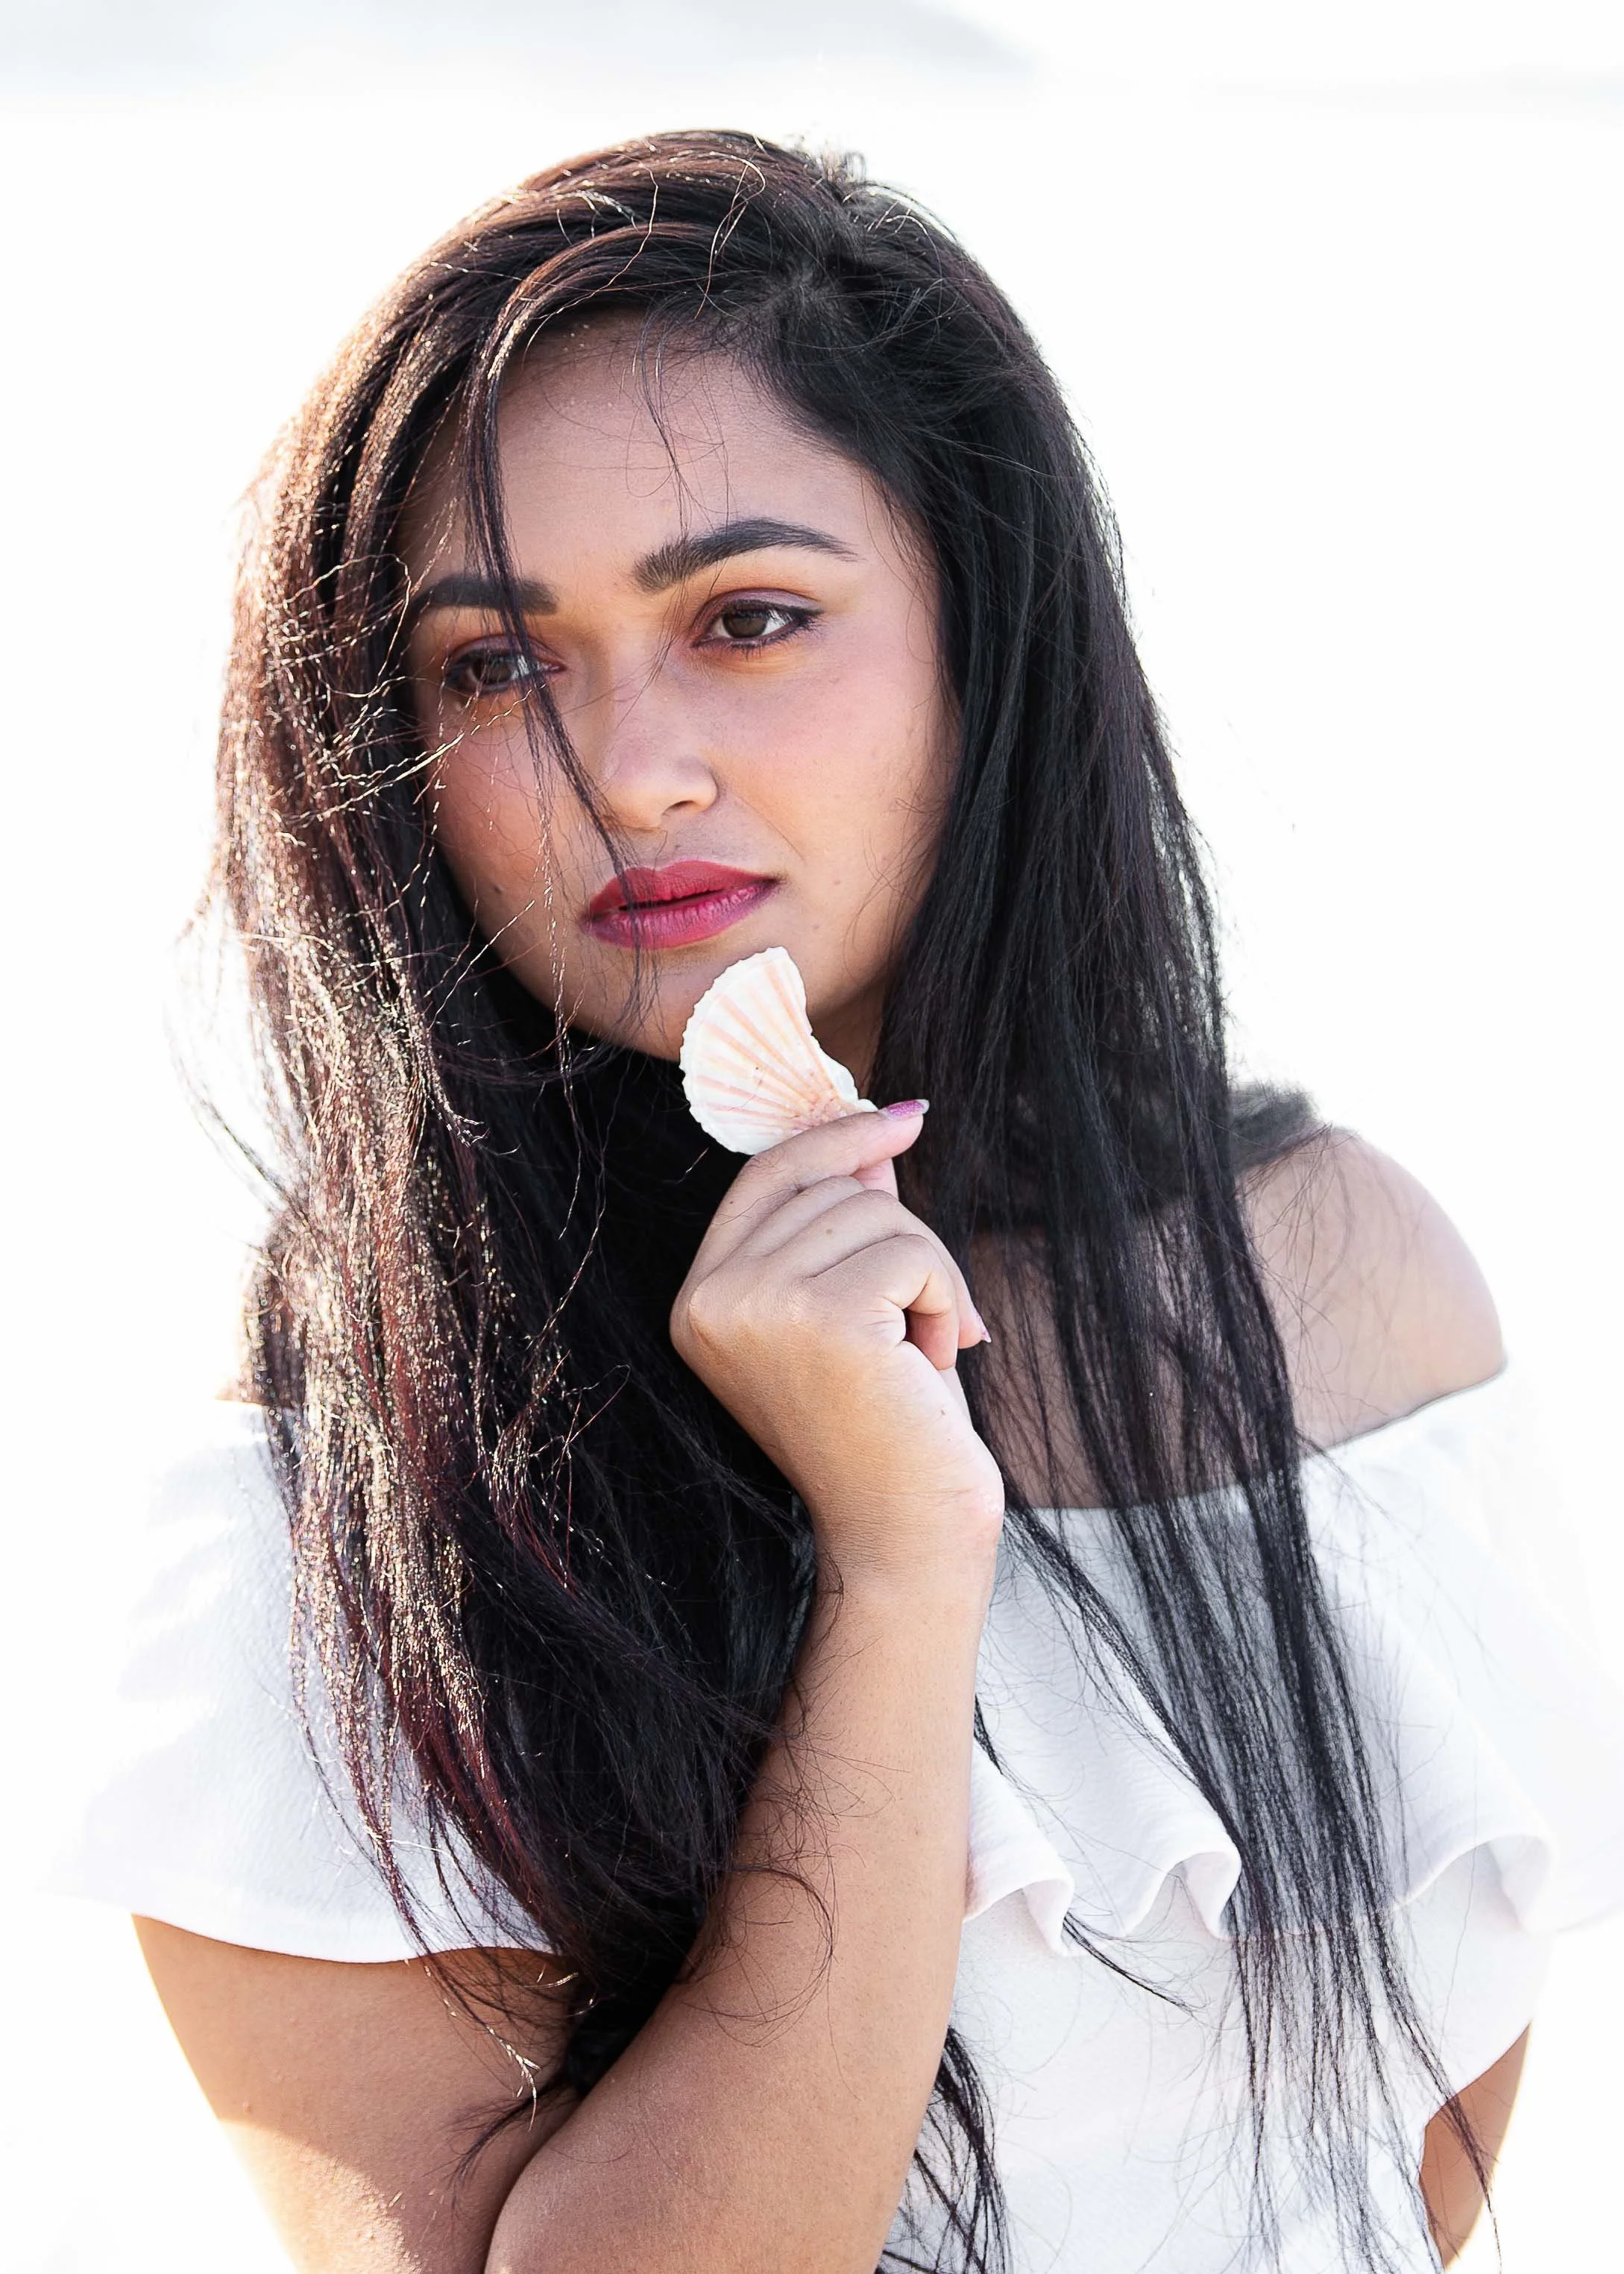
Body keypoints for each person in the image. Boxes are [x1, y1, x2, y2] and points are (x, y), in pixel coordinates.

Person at [54, 131, 1624, 2273]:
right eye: (497, 666)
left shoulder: (1334, 1285)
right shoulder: (334, 1479)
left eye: (752, 618)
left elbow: (1396, 2177)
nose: (637, 766)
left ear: (992, 637)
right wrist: (898, 1554)